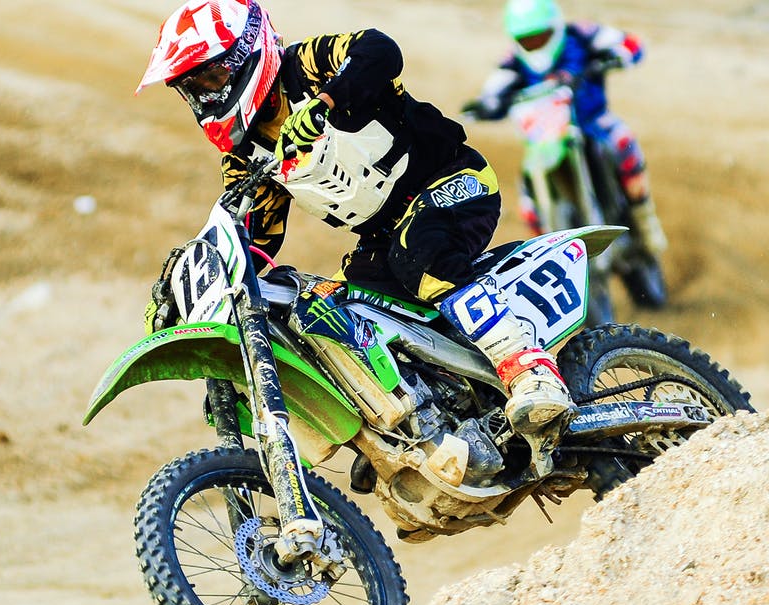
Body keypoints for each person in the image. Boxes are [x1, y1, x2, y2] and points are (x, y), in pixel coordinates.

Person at [136, 0, 573, 476]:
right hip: (384, 235)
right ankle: (414, 423)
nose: (204, 96)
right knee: (335, 310)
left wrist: (325, 105)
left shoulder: (304, 67)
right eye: (190, 89)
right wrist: (192, 292)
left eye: (209, 78)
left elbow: (380, 51)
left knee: (420, 260)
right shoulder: (244, 155)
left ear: (245, 53)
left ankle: (531, 371)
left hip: (452, 181)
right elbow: (256, 237)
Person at [463, 0, 667, 255]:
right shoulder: (512, 61)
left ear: (555, 26)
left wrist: (620, 54)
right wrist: (486, 105)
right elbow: (493, 90)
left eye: (541, 36)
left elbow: (630, 43)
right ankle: (545, 255)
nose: (536, 44)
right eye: (528, 40)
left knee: (623, 142)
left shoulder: (581, 34)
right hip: (545, 140)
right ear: (516, 39)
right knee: (526, 200)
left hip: (592, 121)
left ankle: (646, 222)